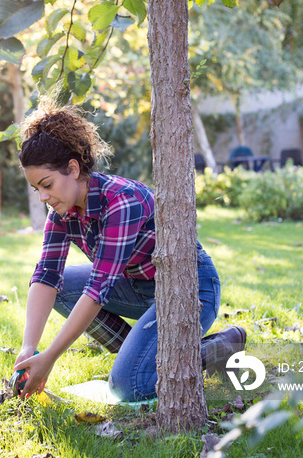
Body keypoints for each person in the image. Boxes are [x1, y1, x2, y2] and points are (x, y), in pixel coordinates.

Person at [13, 102, 246, 402]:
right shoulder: (62, 213)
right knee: (62, 288)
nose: (44, 197)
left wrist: (50, 358)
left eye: (47, 185)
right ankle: (141, 356)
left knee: (129, 386)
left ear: (72, 169)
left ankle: (218, 347)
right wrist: (28, 349)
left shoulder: (121, 202)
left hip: (188, 289)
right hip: (137, 286)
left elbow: (98, 290)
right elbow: (46, 276)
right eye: (37, 189)